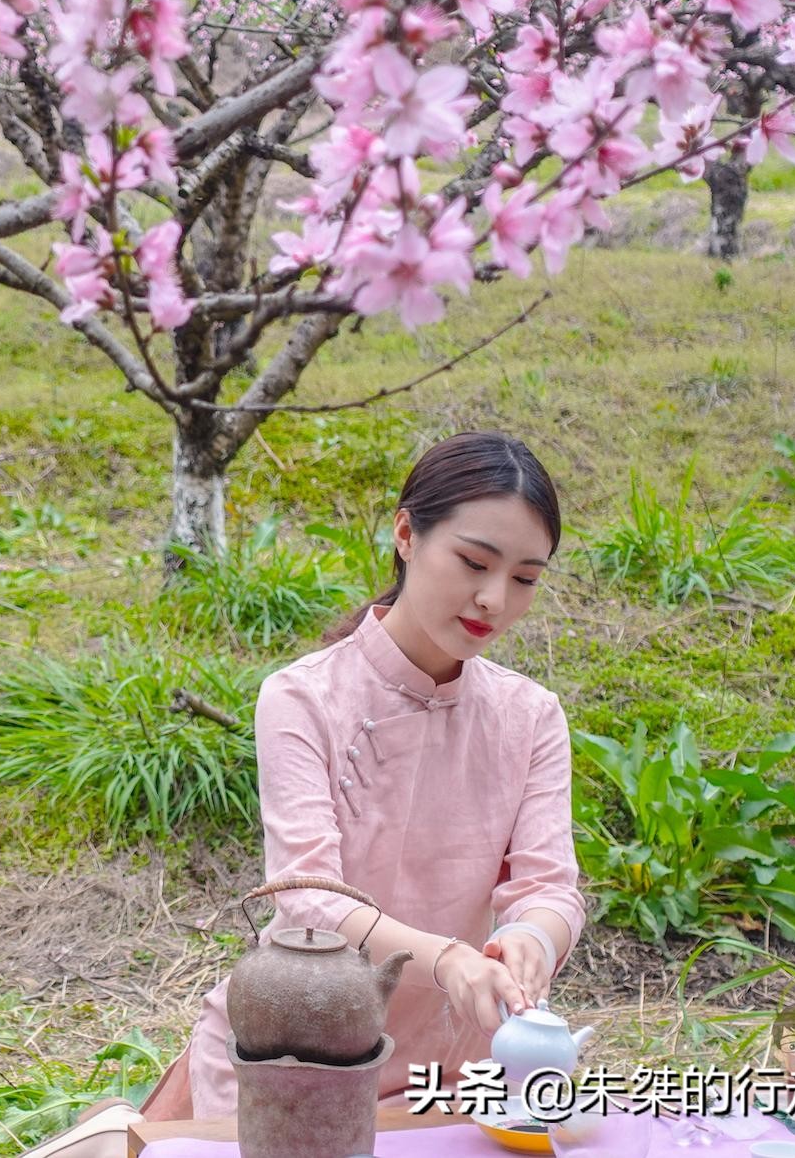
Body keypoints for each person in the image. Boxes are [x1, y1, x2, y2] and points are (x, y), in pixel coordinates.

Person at [141, 430, 588, 1120]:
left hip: (453, 1071)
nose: (495, 599)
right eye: (474, 563)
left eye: (525, 578)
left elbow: (549, 886)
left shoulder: (529, 716)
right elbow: (309, 897)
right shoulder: (303, 697)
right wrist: (448, 959)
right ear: (406, 535)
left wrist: (533, 938)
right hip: (294, 1057)